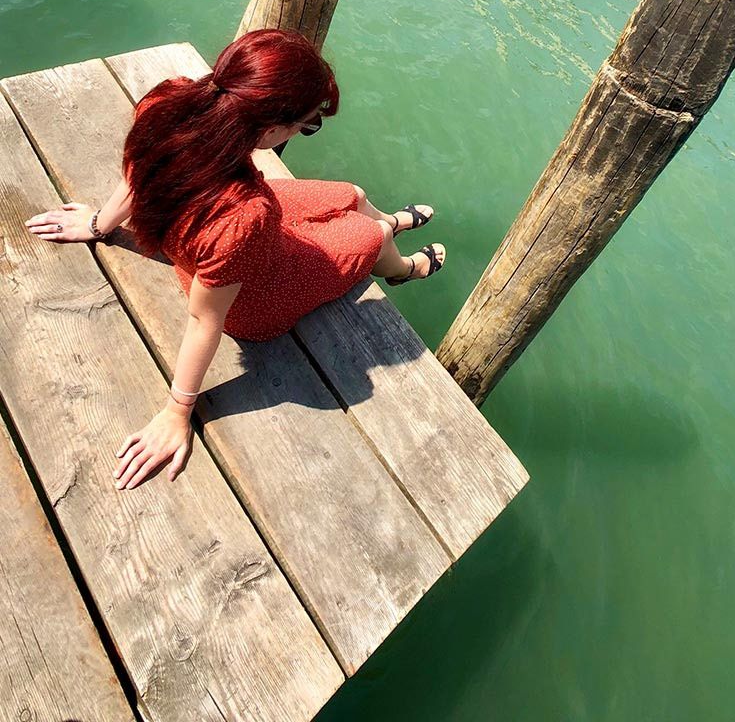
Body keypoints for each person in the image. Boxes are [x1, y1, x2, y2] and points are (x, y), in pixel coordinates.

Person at [24, 29, 446, 492]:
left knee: (353, 195)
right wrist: (176, 412)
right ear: (270, 131)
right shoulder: (245, 216)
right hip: (254, 296)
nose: (305, 131)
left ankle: (392, 223)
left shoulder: (166, 102)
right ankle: (403, 268)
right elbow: (206, 320)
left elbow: (136, 178)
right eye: (307, 124)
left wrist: (100, 225)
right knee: (373, 233)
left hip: (235, 231)